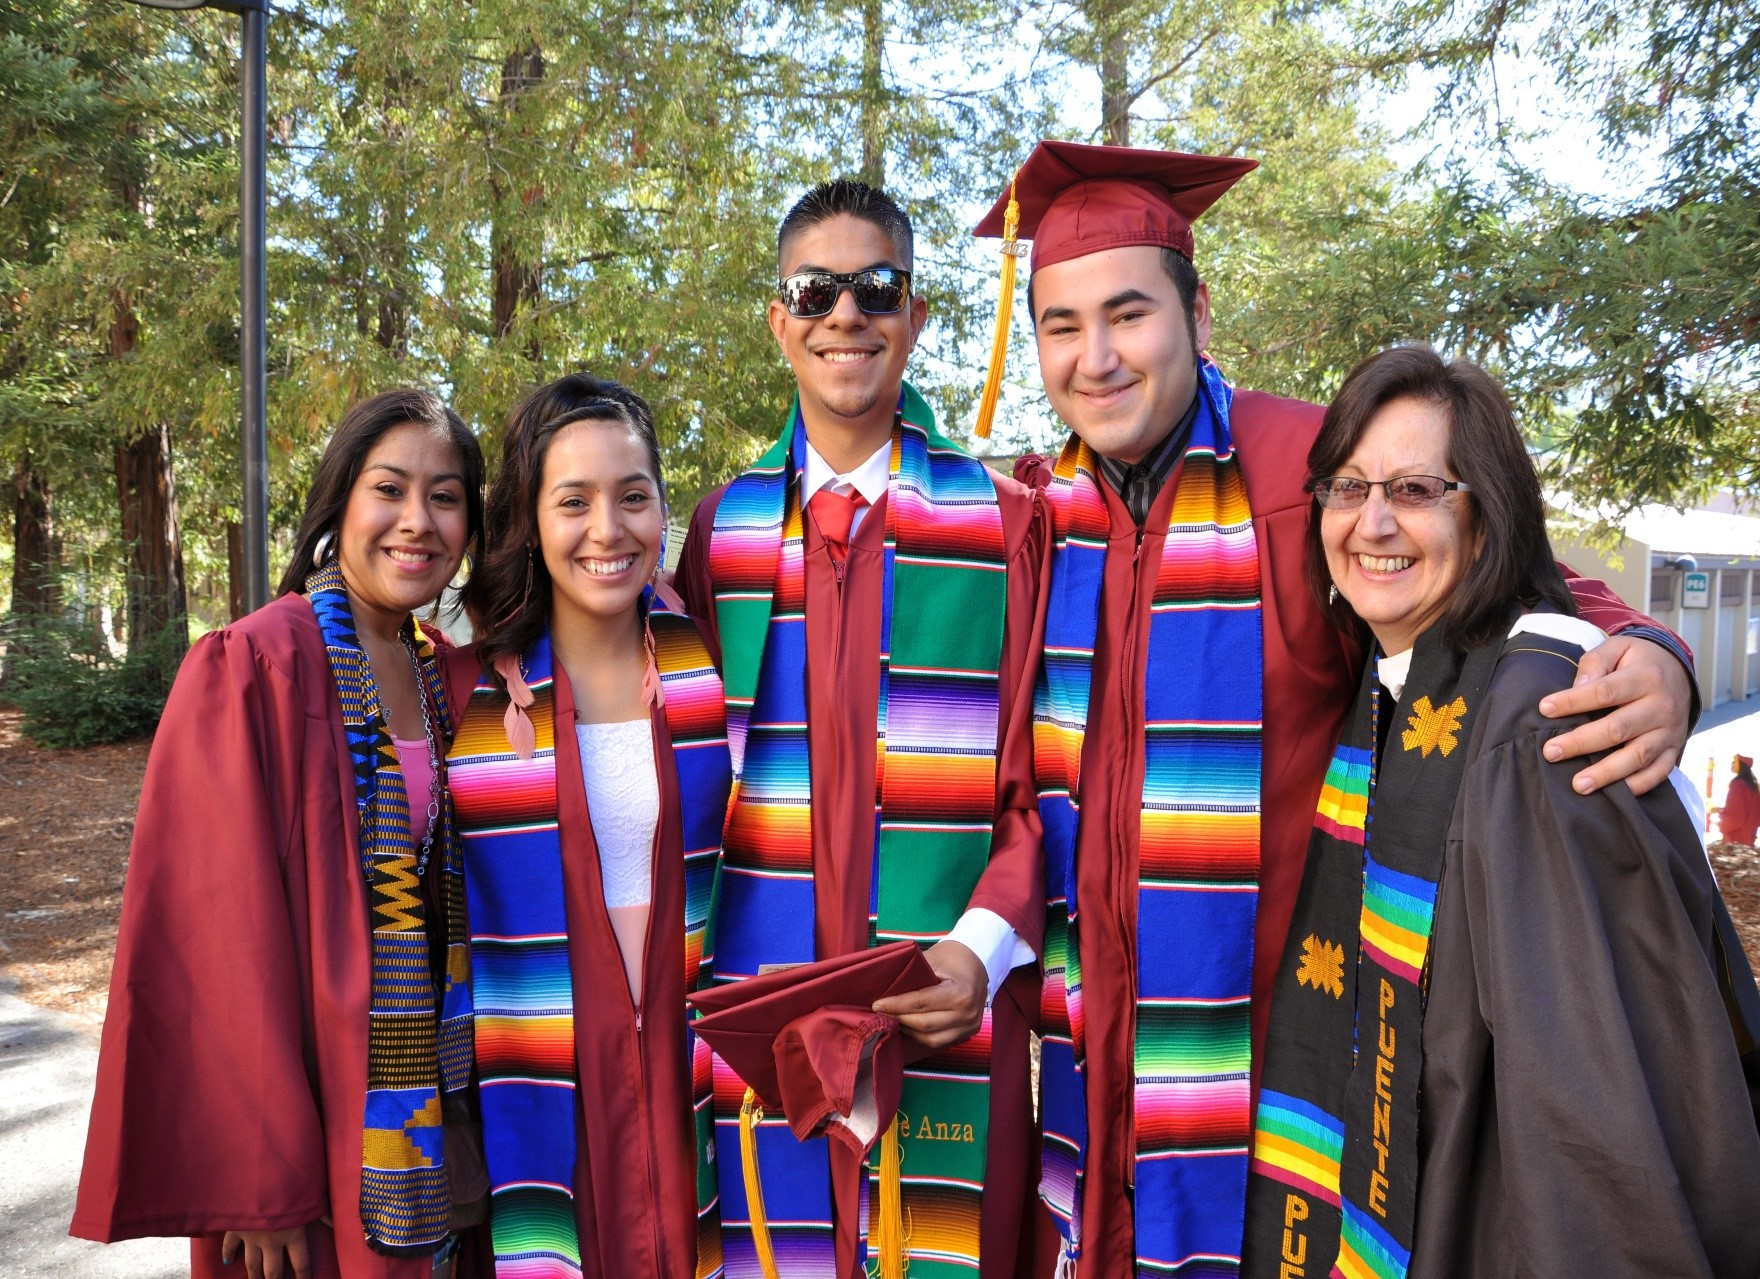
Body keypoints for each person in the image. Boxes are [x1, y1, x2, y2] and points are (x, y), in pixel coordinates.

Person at [968, 140, 1702, 1279]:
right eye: (1060, 325)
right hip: (1092, 1049)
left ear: (1196, 312)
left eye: (1128, 314)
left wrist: (1652, 650)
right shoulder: (1039, 515)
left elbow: (1500, 569)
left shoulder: (1298, 467)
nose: (1095, 357)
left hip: (1284, 1051)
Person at [1242, 345, 1760, 1277]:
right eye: (1348, 487)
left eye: (1415, 487)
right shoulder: (1389, 684)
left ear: (1488, 512)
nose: (1374, 521)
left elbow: (1596, 1113)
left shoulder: (1540, 722)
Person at [672, 179, 1050, 1279]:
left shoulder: (1003, 525)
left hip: (940, 1009)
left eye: (876, 289)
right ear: (778, 319)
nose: (846, 314)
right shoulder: (720, 532)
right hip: (765, 1017)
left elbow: (1048, 781)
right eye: (815, 290)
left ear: (916, 316)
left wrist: (978, 950)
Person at [74, 389, 490, 1279]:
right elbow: (213, 937)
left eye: (446, 496)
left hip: (432, 1115)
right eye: (390, 488)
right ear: (339, 502)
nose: (418, 521)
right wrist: (258, 1182)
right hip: (309, 1124)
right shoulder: (254, 665)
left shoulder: (449, 679)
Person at [443, 374, 731, 1279]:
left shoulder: (714, 674)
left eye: (633, 495)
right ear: (530, 519)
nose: (609, 530)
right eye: (574, 500)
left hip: (697, 1085)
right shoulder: (464, 695)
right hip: (546, 1091)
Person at [1721, 755, 1760, 845]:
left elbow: (1735, 816)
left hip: (1735, 840)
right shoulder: (1753, 787)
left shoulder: (1738, 785)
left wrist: (1722, 817)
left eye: (1734, 762)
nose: (1732, 764)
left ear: (1740, 765)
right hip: (1749, 840)